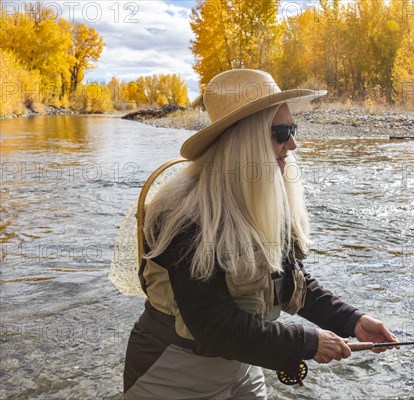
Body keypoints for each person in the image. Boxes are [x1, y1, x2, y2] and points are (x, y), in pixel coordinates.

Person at [123, 69, 398, 399]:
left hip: (243, 364)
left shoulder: (262, 198)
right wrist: (308, 342)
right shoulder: (183, 215)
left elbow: (290, 283)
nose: (293, 144)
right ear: (244, 140)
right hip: (171, 373)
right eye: (281, 133)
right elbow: (214, 326)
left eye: (293, 129)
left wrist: (351, 320)